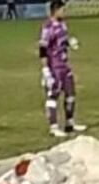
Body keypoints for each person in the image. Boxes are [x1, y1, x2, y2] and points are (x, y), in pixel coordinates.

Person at [39, 0, 85, 137]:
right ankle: (53, 127)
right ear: (56, 10)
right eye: (63, 10)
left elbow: (62, 41)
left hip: (65, 65)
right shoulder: (48, 27)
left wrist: (70, 43)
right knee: (53, 96)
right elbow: (43, 49)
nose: (65, 12)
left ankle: (69, 123)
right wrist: (46, 70)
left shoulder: (63, 25)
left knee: (71, 94)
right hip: (55, 67)